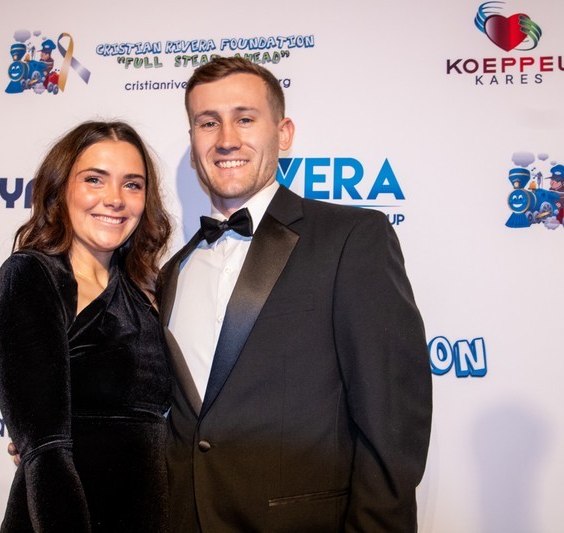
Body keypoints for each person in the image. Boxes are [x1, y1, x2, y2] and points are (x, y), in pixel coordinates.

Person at [158, 57, 432, 531]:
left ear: (283, 134)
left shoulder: (351, 238)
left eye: (245, 118)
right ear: (193, 139)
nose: (226, 139)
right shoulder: (172, 270)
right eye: (208, 122)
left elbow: (392, 421)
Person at [0, 120, 172, 532]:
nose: (115, 199)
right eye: (94, 180)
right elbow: (46, 451)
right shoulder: (32, 276)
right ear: (60, 188)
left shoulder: (148, 290)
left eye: (132, 184)